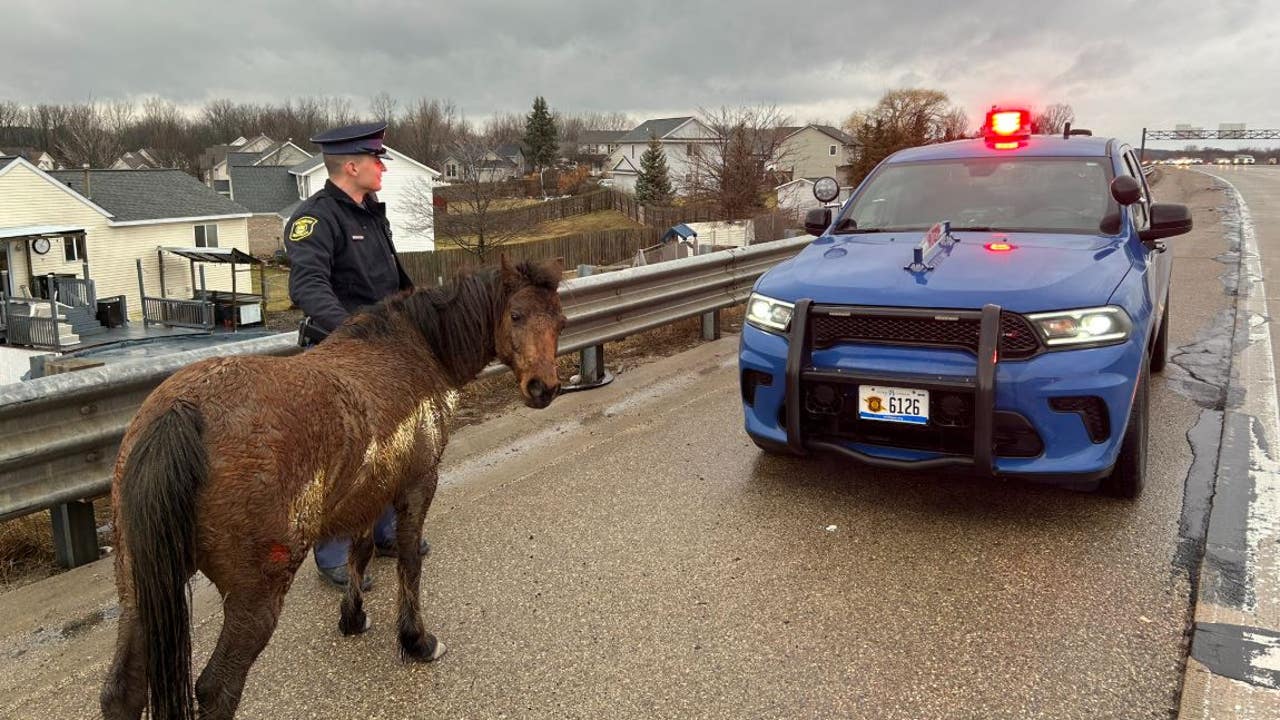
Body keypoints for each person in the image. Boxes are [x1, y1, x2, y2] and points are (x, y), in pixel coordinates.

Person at [284, 121, 430, 590]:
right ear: (352, 165)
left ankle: (385, 534)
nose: (381, 167)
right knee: (344, 458)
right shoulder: (315, 219)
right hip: (339, 354)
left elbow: (390, 279)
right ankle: (335, 554)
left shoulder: (370, 212)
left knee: (389, 447)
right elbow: (308, 286)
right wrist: (356, 330)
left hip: (383, 353)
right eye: (375, 160)